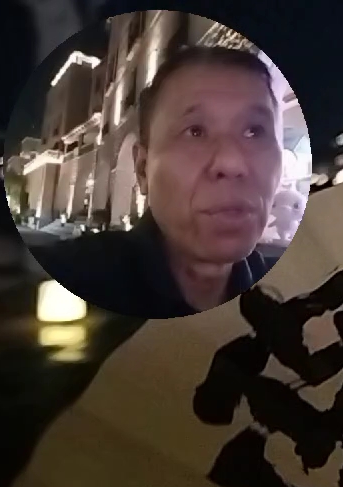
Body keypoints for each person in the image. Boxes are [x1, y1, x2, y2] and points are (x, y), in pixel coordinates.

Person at [32, 45, 285, 318]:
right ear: (142, 169)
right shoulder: (71, 278)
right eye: (195, 131)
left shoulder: (289, 286)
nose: (232, 163)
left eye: (254, 131)